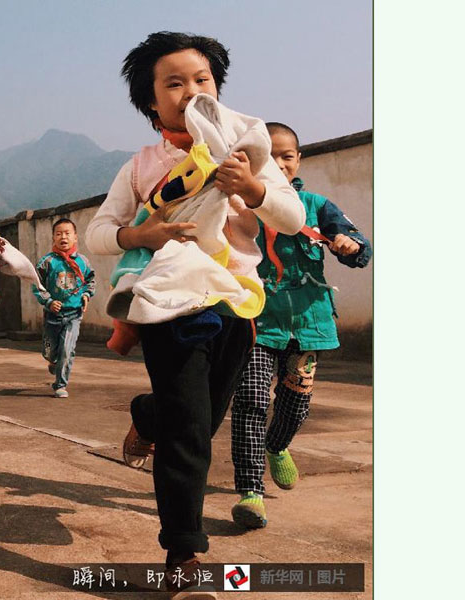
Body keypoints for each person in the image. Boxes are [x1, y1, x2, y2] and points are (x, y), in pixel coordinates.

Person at [85, 32, 305, 598]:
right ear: (150, 101)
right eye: (173, 83)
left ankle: (147, 413)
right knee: (190, 431)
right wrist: (143, 232)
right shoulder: (140, 169)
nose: (190, 91)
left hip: (235, 299)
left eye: (201, 79)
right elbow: (99, 234)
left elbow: (292, 213)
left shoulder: (246, 147)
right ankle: (183, 556)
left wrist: (252, 187)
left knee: (201, 423)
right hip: (168, 302)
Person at [229, 122, 372, 529]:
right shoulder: (240, 206)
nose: (277, 163)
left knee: (295, 405)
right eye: (267, 156)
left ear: (298, 160)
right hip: (256, 321)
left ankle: (277, 447)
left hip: (307, 326)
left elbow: (358, 246)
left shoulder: (316, 205)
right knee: (252, 399)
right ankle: (250, 492)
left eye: (286, 156)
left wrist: (350, 245)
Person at [31, 217, 96, 398]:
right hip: (53, 315)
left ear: (75, 237)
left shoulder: (83, 262)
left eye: (67, 233)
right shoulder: (47, 262)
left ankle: (60, 384)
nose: (63, 237)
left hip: (74, 314)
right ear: (53, 238)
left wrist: (86, 295)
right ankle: (53, 361)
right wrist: (49, 301)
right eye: (58, 234)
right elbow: (37, 285)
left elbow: (90, 281)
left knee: (67, 349)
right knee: (51, 352)